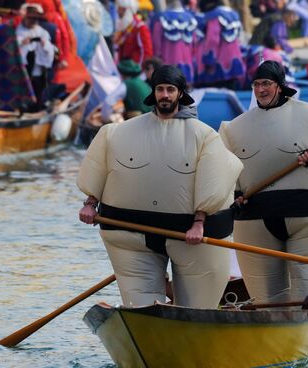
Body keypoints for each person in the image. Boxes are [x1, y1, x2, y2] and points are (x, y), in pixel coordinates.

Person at [78, 65, 243, 308]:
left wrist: (199, 222)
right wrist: (91, 204)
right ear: (153, 92)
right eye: (160, 89)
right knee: (141, 308)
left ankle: (194, 323)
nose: (164, 95)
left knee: (197, 308)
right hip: (131, 233)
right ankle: (148, 327)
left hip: (190, 235)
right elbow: (99, 166)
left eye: (170, 90)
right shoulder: (116, 133)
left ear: (180, 93)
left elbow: (215, 180)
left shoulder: (205, 137)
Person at [219, 61, 308, 305]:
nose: (261, 89)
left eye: (267, 83)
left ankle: (303, 325)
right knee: (266, 303)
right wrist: (234, 196)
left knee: (305, 299)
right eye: (256, 84)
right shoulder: (234, 128)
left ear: (280, 86)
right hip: (256, 220)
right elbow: (221, 169)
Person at [195, 0, 245, 88]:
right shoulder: (235, 14)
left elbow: (213, 40)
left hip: (219, 62)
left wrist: (209, 60)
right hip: (235, 60)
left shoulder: (214, 15)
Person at [16, 3, 56, 109]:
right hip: (22, 69)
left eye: (35, 19)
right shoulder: (18, 31)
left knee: (37, 88)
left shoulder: (42, 32)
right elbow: (13, 46)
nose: (33, 21)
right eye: (31, 18)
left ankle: (37, 107)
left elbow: (50, 49)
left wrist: (44, 45)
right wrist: (22, 43)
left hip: (36, 69)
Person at [151, 0, 197, 85]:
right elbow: (194, 45)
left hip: (167, 66)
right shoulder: (191, 19)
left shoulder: (160, 19)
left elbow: (156, 45)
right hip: (187, 66)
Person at [114, 0, 154, 65]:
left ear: (126, 10)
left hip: (135, 70)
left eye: (120, 9)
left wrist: (138, 70)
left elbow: (146, 52)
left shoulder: (140, 27)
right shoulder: (125, 27)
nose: (118, 12)